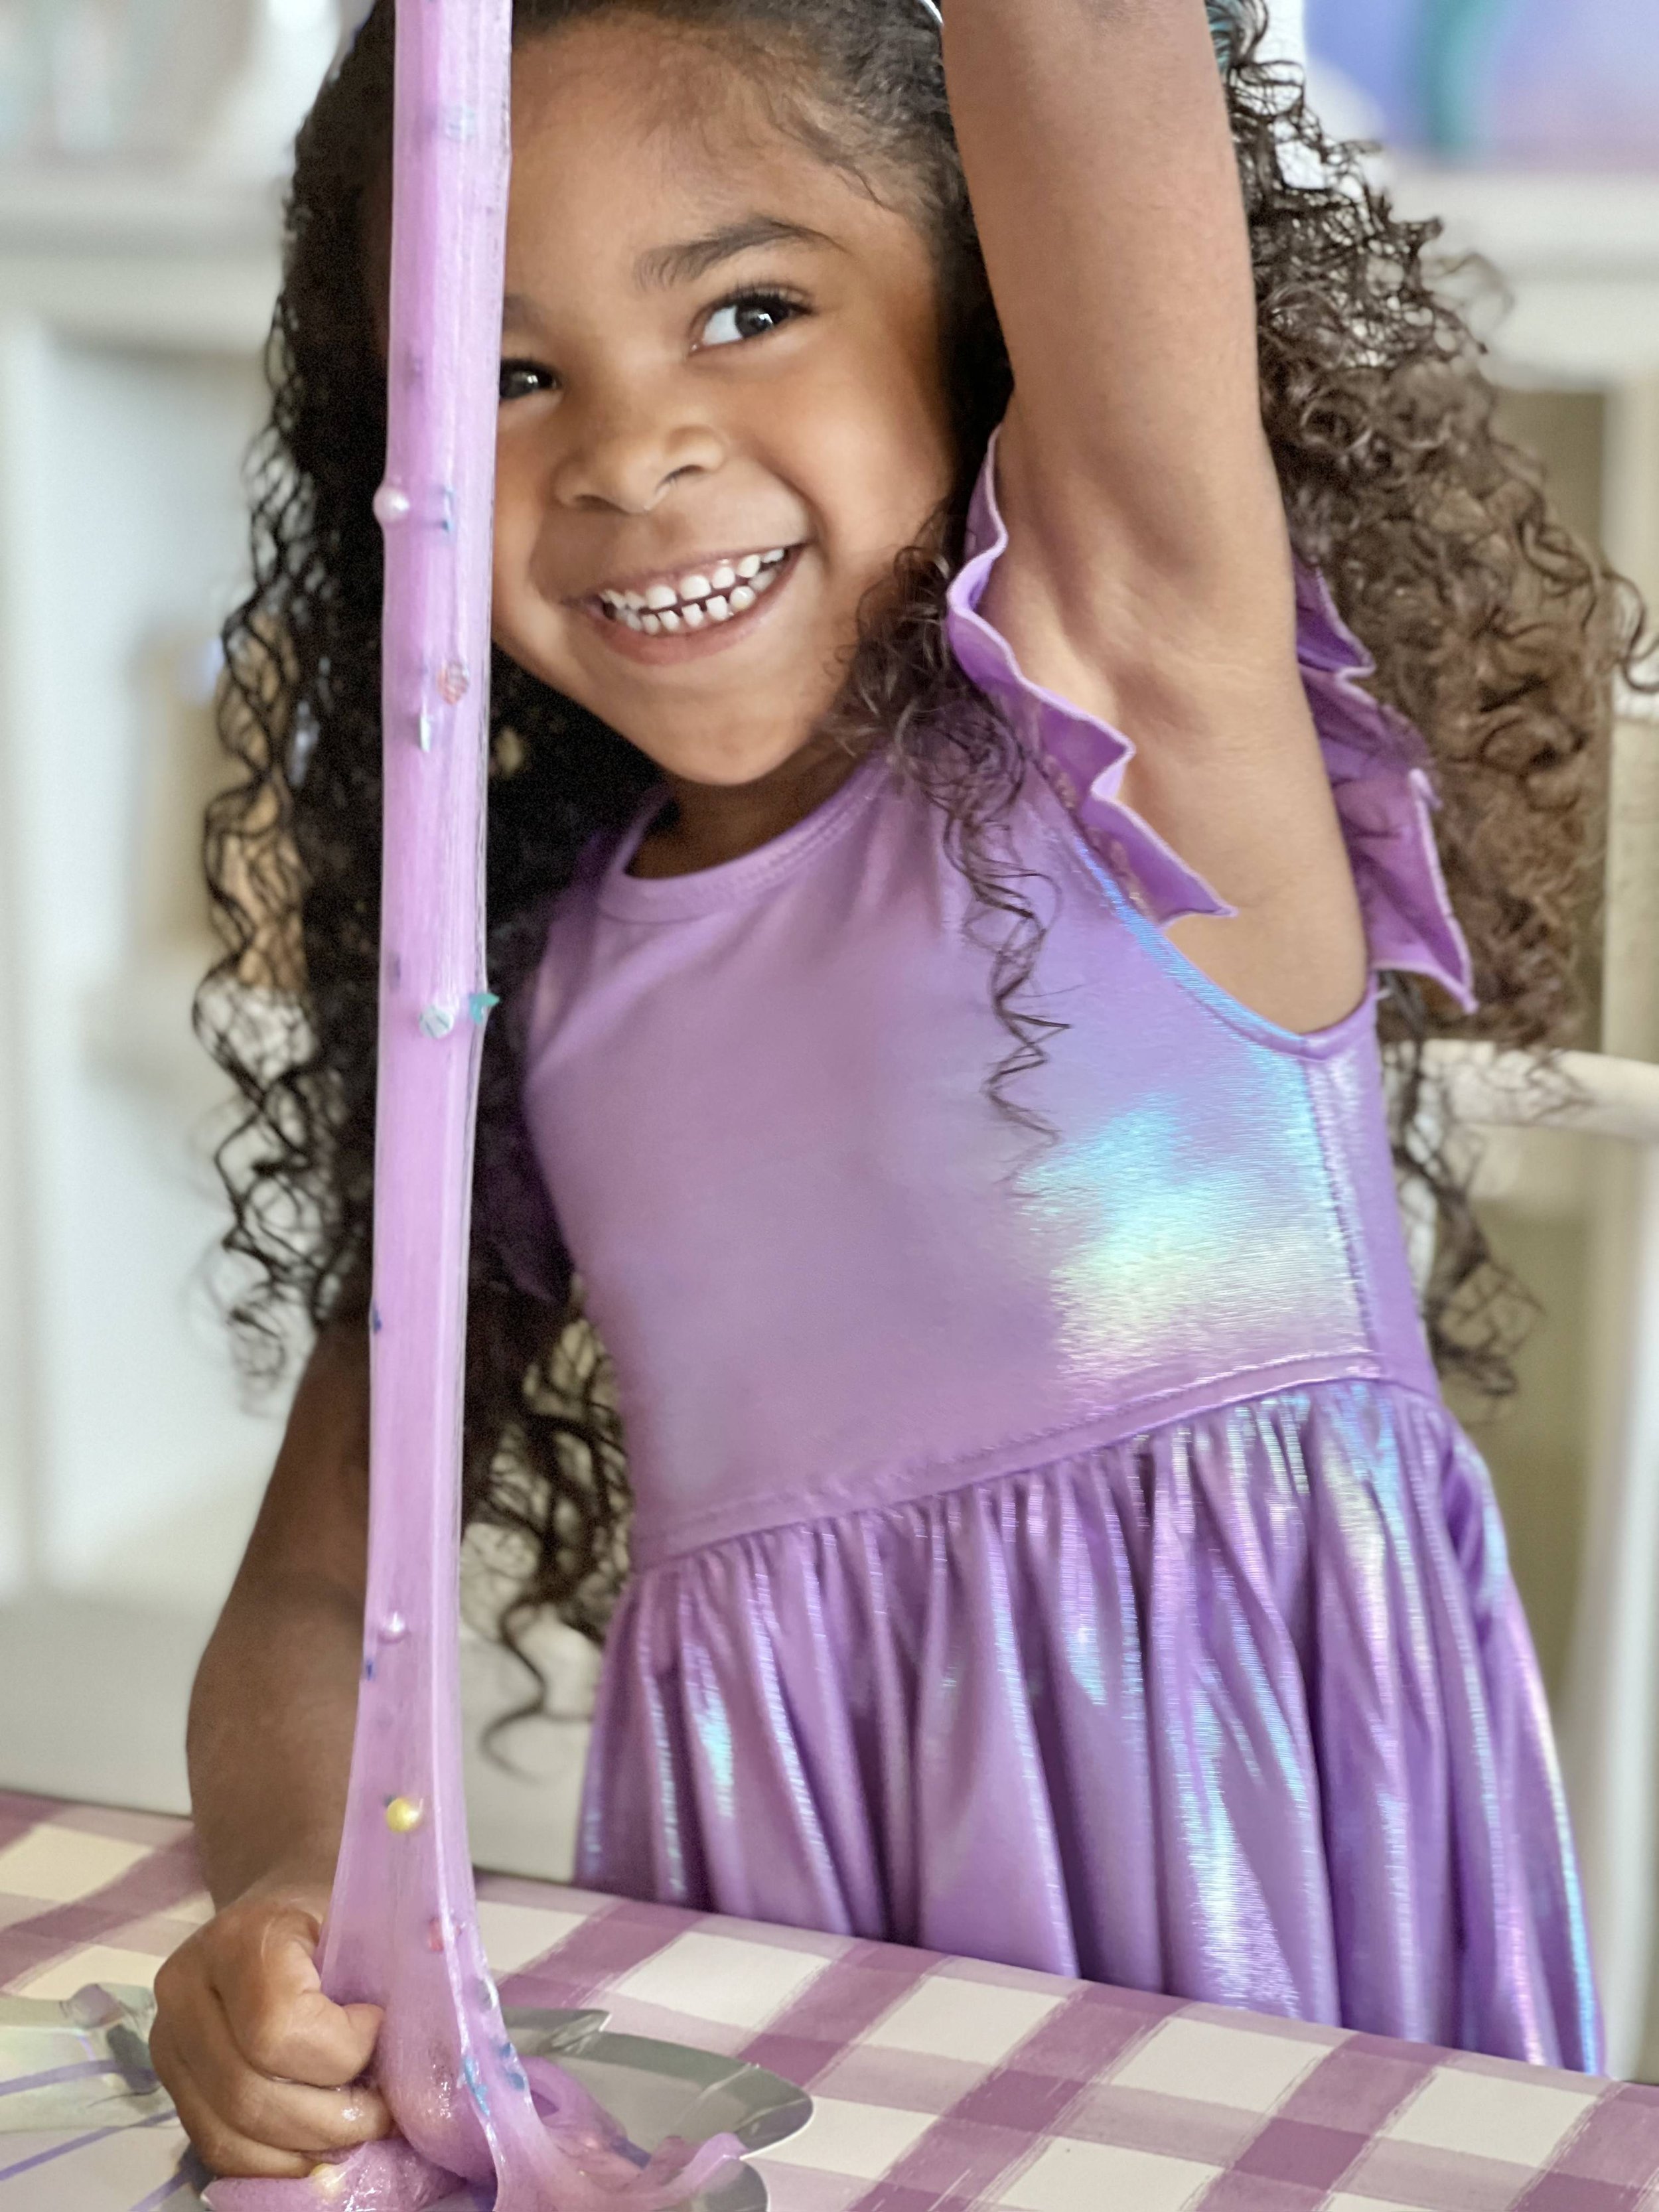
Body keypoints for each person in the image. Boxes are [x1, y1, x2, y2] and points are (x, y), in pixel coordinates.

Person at [152, 0, 1643, 2179]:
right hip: (809, 2042)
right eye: (503, 370)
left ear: (981, 319)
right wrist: (282, 1888)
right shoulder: (537, 1006)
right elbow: (308, 1599)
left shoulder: (1143, 724)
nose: (625, 453)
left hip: (1270, 2021)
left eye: (748, 311)